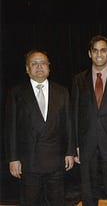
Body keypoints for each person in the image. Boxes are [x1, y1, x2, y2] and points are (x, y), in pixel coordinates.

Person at [5, 50, 75, 205]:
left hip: (56, 159)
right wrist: (13, 158)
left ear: (49, 67)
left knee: (57, 201)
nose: (39, 67)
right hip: (29, 161)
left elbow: (69, 124)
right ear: (27, 69)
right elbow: (10, 129)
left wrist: (70, 152)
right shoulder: (16, 93)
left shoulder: (62, 92)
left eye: (43, 63)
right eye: (34, 63)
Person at [71, 35, 107, 206]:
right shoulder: (78, 80)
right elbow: (74, 115)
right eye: (95, 51)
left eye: (103, 50)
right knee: (88, 194)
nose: (99, 54)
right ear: (90, 54)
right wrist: (75, 146)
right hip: (86, 146)